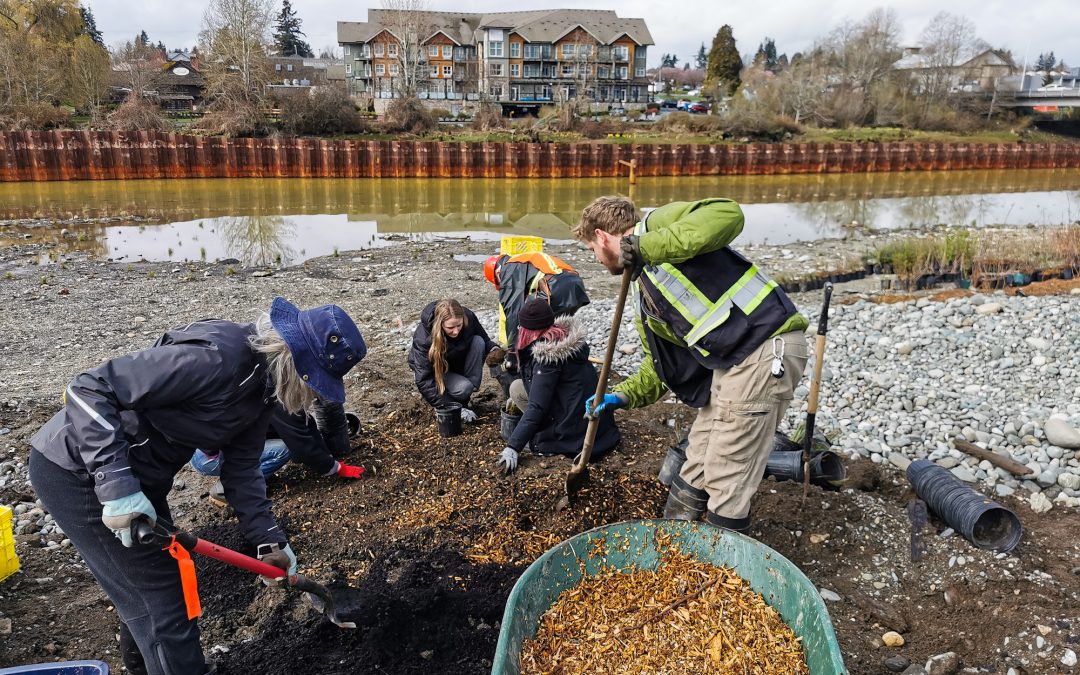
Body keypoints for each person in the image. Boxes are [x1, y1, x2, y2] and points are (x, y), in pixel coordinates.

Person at [28, 297, 366, 675]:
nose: (314, 396)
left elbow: (242, 468)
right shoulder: (216, 358)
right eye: (314, 384)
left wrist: (269, 538)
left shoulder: (262, 391)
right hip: (79, 471)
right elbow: (89, 388)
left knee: (147, 587)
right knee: (160, 600)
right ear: (294, 361)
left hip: (140, 480)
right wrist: (117, 484)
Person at [575, 196, 808, 533]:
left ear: (602, 236)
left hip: (765, 348)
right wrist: (619, 397)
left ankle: (722, 567)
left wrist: (645, 246)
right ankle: (674, 541)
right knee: (697, 459)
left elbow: (727, 214)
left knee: (726, 469)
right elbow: (659, 368)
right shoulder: (646, 293)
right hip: (731, 365)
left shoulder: (658, 226)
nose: (596, 260)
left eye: (592, 250)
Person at [496, 299, 619, 473]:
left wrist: (514, 446)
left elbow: (537, 407)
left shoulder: (548, 358)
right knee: (517, 388)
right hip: (594, 423)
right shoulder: (566, 339)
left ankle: (548, 435)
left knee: (521, 394)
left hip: (573, 432)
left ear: (526, 330)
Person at [190, 399, 364, 507]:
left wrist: (327, 456)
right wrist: (336, 468)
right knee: (283, 450)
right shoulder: (281, 406)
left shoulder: (283, 394)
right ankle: (229, 489)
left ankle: (255, 474)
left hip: (219, 445)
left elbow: (306, 425)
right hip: (208, 457)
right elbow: (299, 447)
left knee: (282, 446)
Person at [408, 298, 500, 422]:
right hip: (435, 372)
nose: (456, 331)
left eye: (459, 325)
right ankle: (450, 399)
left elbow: (485, 339)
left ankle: (465, 395)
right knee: (464, 387)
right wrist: (453, 408)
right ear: (440, 324)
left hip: (454, 361)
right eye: (450, 327)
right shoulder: (424, 338)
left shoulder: (469, 317)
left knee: (478, 341)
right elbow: (424, 379)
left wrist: (495, 350)